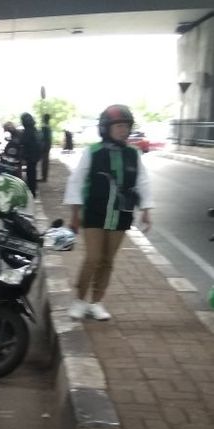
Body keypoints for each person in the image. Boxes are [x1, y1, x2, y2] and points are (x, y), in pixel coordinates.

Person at [64, 104, 152, 321]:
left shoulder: (133, 154)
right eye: (119, 126)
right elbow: (76, 182)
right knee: (93, 258)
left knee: (108, 261)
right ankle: (79, 300)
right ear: (106, 128)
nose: (124, 130)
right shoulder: (92, 152)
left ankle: (96, 302)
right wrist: (75, 214)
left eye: (126, 126)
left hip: (121, 214)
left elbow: (143, 182)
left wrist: (146, 210)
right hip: (94, 213)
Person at [20, 112, 41, 198]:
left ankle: (32, 191)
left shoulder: (28, 130)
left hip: (30, 155)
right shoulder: (34, 129)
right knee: (32, 173)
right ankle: (32, 190)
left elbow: (23, 141)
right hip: (35, 155)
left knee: (30, 174)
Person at [40, 113, 52, 181]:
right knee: (45, 162)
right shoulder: (49, 127)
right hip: (48, 146)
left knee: (44, 162)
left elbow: (42, 138)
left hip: (44, 147)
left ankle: (44, 177)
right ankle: (44, 177)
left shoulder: (44, 127)